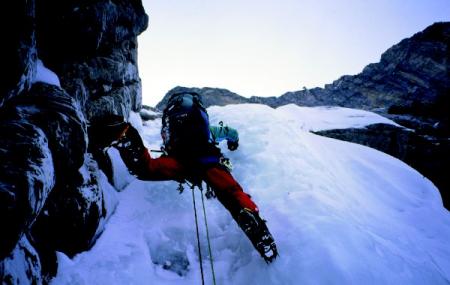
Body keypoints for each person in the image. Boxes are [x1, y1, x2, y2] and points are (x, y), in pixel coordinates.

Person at [89, 91, 278, 263]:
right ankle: (251, 218)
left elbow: (168, 149)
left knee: (147, 168)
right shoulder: (210, 131)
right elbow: (231, 133)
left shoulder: (173, 129)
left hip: (180, 162)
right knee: (231, 193)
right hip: (210, 163)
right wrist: (233, 143)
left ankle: (124, 134)